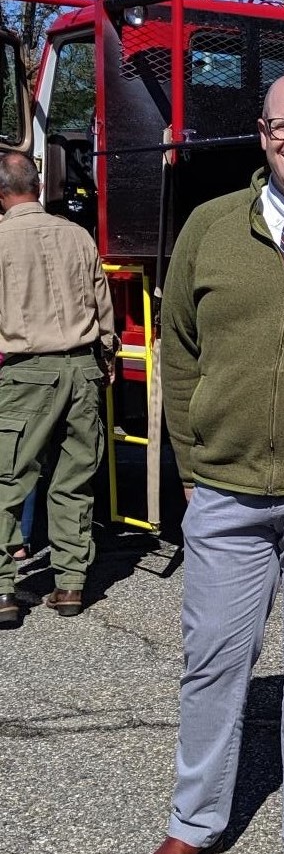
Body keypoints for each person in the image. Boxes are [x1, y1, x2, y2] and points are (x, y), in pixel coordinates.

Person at [135, 71, 284, 854]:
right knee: (212, 663)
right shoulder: (210, 226)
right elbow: (181, 346)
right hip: (227, 492)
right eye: (283, 126)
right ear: (262, 134)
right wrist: (192, 465)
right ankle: (193, 820)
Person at [0, 152, 116, 628]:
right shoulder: (77, 234)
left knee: (8, 479)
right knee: (74, 480)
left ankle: (4, 591)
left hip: (26, 372)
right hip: (83, 369)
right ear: (37, 183)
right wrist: (105, 358)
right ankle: (70, 583)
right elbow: (100, 301)